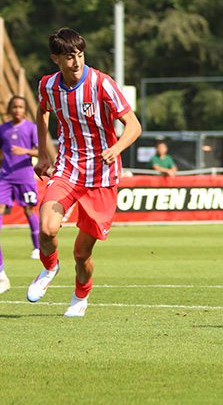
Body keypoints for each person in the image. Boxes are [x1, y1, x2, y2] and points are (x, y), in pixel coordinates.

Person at [26, 27, 142, 317]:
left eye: (79, 54)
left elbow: (134, 126)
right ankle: (50, 267)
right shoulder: (47, 86)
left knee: (82, 253)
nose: (76, 62)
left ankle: (80, 297)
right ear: (56, 59)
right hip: (67, 168)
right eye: (68, 57)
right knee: (47, 229)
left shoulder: (102, 83)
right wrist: (43, 153)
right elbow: (42, 112)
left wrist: (116, 149)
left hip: (102, 176)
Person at [0, 95, 41, 292]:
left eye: (21, 107)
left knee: (28, 211)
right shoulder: (3, 129)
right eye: (14, 106)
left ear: (25, 110)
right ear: (10, 109)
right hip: (5, 177)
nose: (17, 110)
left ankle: (37, 247)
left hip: (25, 176)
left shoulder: (31, 128)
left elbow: (40, 152)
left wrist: (24, 151)